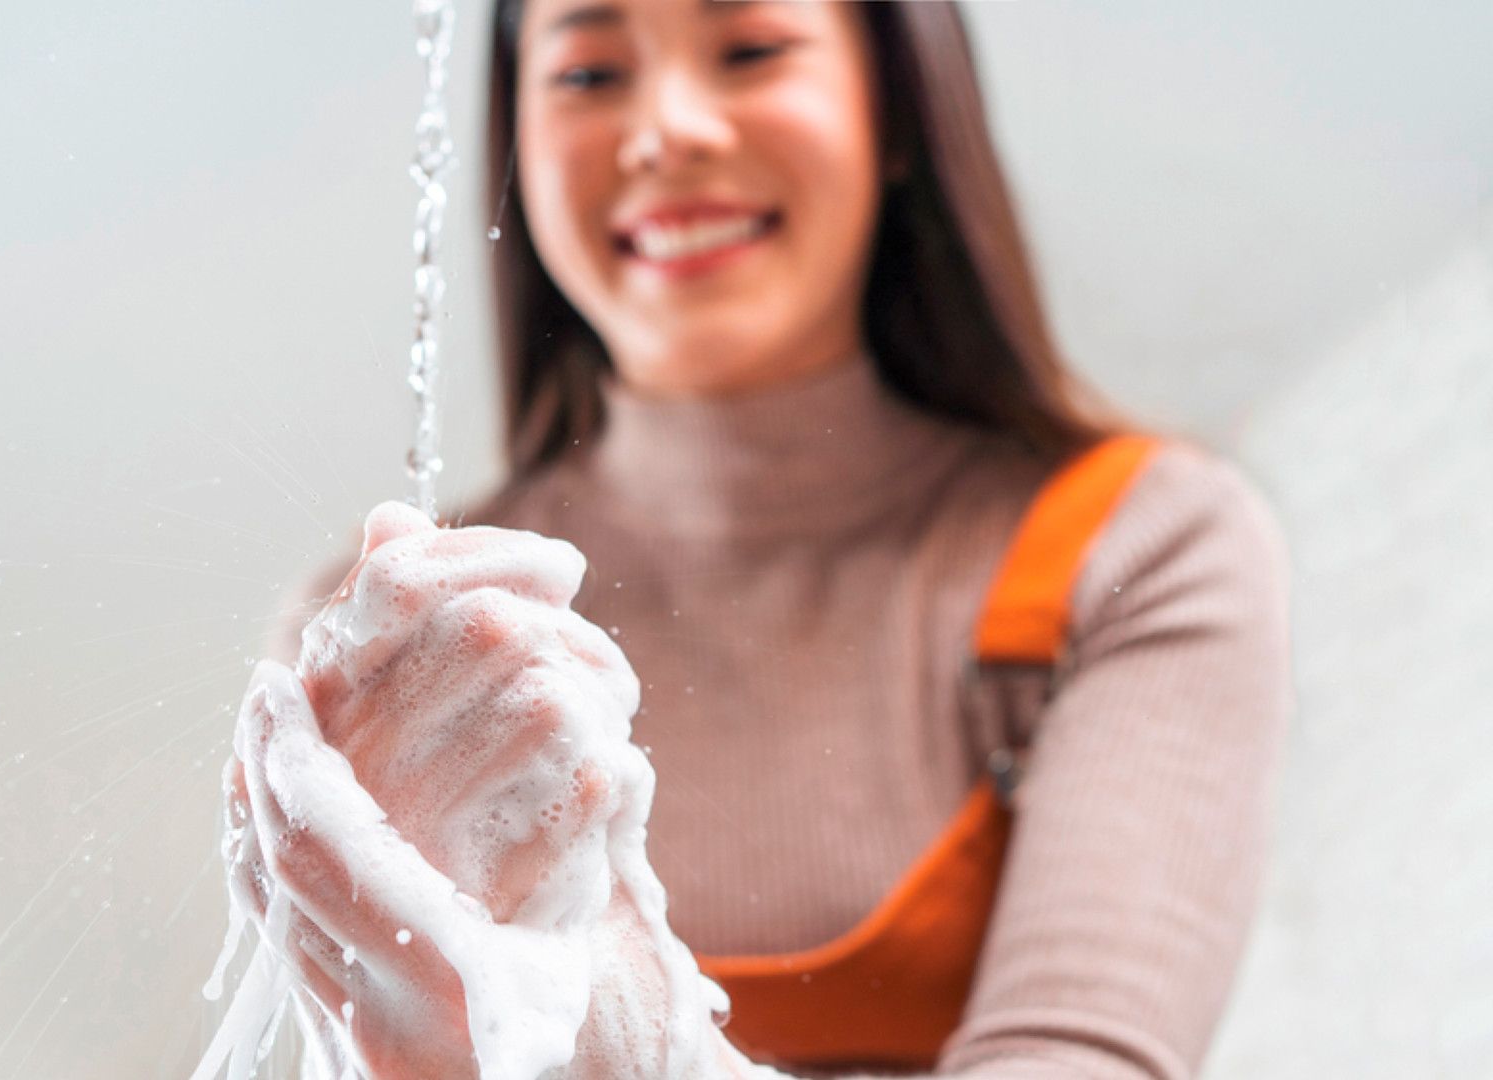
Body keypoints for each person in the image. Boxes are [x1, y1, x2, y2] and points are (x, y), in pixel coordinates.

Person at [227, 1, 1293, 1077]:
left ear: (899, 117)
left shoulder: (1134, 547)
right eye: (590, 75)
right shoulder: (398, 631)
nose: (666, 130)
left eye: (750, 51)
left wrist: (652, 1060)